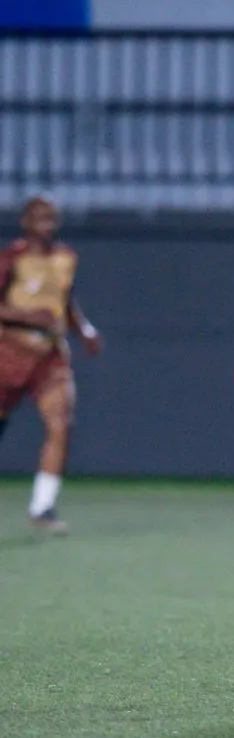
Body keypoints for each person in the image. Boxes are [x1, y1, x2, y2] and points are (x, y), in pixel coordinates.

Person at [0, 195, 103, 534]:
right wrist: (28, 315)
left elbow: (65, 302)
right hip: (9, 350)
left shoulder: (65, 258)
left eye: (52, 217)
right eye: (40, 217)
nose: (47, 223)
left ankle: (42, 506)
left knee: (60, 422)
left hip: (50, 354)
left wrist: (84, 330)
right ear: (26, 222)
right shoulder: (12, 258)